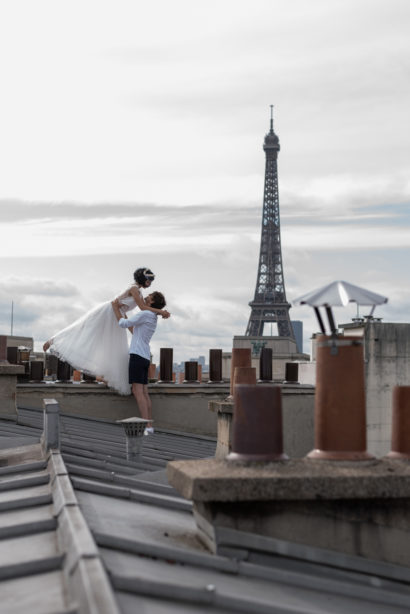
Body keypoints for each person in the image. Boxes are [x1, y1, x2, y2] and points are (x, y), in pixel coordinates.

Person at [42, 268, 170, 395]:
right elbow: (143, 308)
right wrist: (161, 312)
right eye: (149, 279)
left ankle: (104, 375)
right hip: (108, 312)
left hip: (117, 315)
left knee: (110, 344)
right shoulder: (134, 289)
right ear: (142, 278)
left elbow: (143, 310)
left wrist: (137, 329)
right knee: (85, 329)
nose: (150, 282)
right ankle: (54, 340)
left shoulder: (140, 293)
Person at [111, 291, 166, 434]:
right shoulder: (152, 316)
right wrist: (124, 315)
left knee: (137, 391)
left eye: (149, 297)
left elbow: (123, 324)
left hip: (137, 356)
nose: (146, 297)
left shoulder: (146, 314)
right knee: (144, 392)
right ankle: (149, 426)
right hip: (144, 357)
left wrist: (116, 308)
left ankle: (147, 427)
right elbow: (134, 331)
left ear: (152, 302)